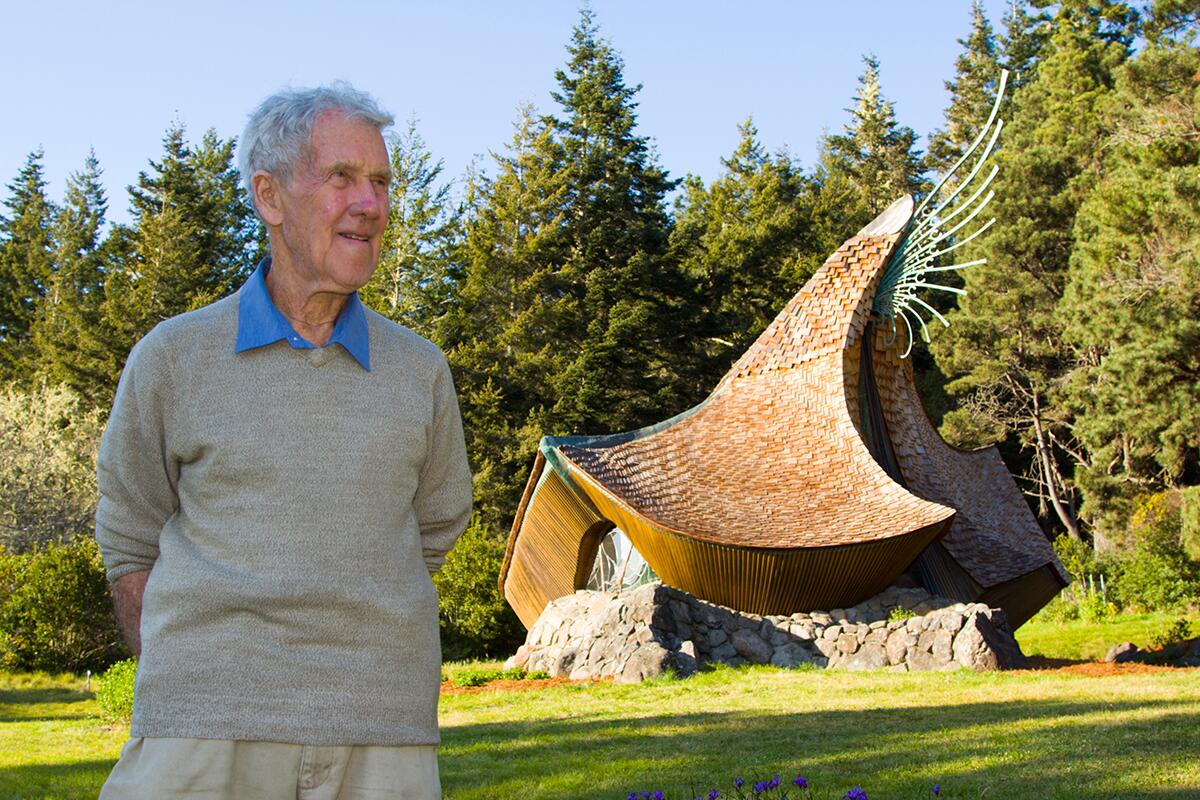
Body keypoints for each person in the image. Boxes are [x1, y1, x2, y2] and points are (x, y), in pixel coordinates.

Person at [94, 83, 473, 800]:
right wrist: (194, 680)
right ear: (268, 196)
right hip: (202, 731)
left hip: (381, 734)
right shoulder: (174, 358)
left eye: (381, 182)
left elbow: (436, 528)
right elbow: (129, 534)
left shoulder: (420, 370)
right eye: (342, 177)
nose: (370, 203)